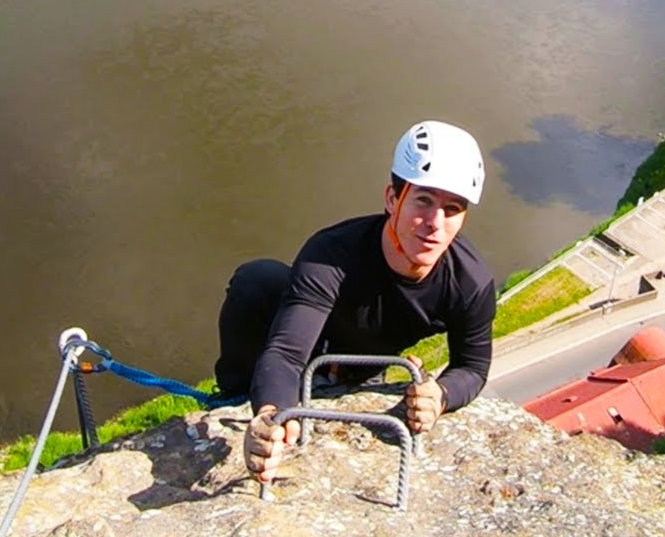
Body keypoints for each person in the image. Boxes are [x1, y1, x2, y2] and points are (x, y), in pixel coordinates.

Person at [213, 120, 497, 483]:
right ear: (393, 199)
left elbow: (472, 367)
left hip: (364, 364)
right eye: (423, 201)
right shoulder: (332, 255)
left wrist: (440, 395)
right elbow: (286, 353)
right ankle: (232, 397)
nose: (435, 224)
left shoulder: (469, 283)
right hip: (310, 340)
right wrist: (271, 417)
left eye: (453, 209)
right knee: (258, 281)